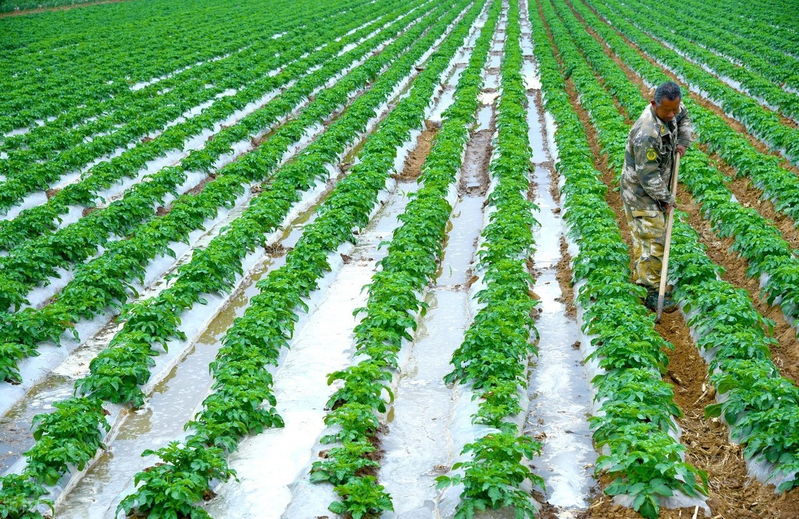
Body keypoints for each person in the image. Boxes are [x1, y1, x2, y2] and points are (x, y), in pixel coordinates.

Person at [621, 81, 693, 312]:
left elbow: (683, 116)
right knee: (653, 239)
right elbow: (648, 175)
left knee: (647, 237)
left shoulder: (672, 109)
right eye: (667, 111)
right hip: (641, 192)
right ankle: (651, 292)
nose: (672, 114)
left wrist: (683, 141)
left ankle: (644, 279)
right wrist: (667, 198)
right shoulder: (647, 133)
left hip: (653, 186)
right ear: (654, 104)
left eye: (675, 108)